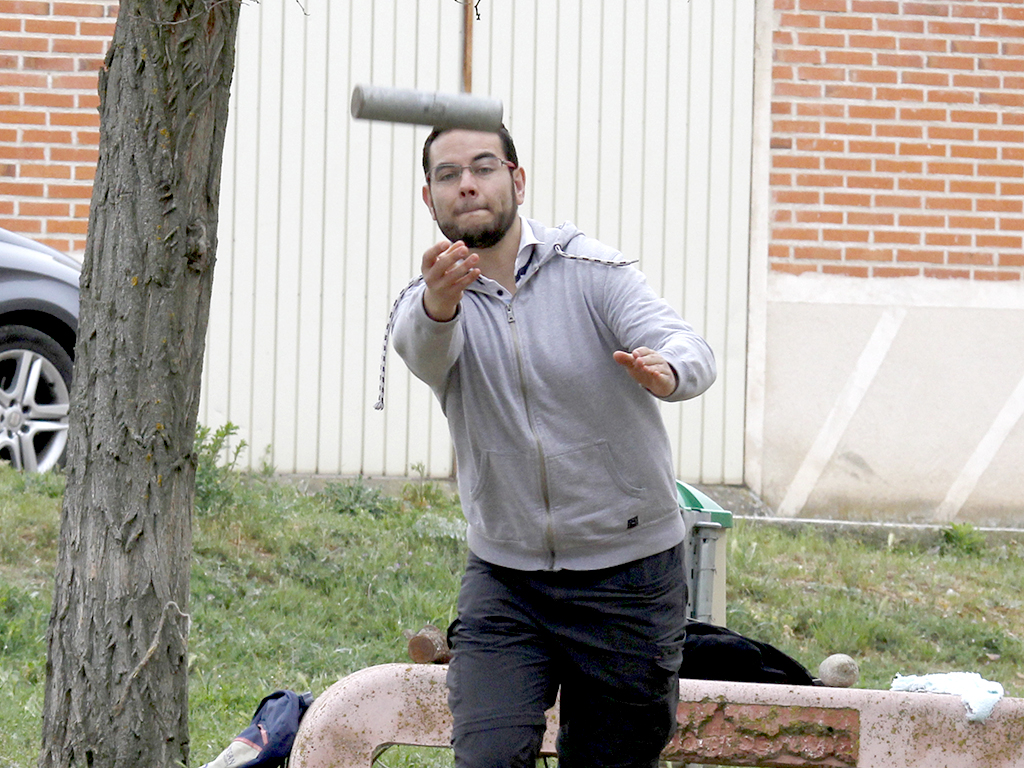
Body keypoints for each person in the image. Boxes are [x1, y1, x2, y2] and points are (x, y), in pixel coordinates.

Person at [389, 124, 716, 768]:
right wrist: (438, 300)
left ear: (516, 179)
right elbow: (423, 351)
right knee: (485, 759)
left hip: (631, 577)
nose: (468, 183)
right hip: (508, 581)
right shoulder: (430, 303)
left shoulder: (590, 271)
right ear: (429, 198)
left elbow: (690, 347)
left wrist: (667, 370)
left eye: (484, 166)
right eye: (449, 174)